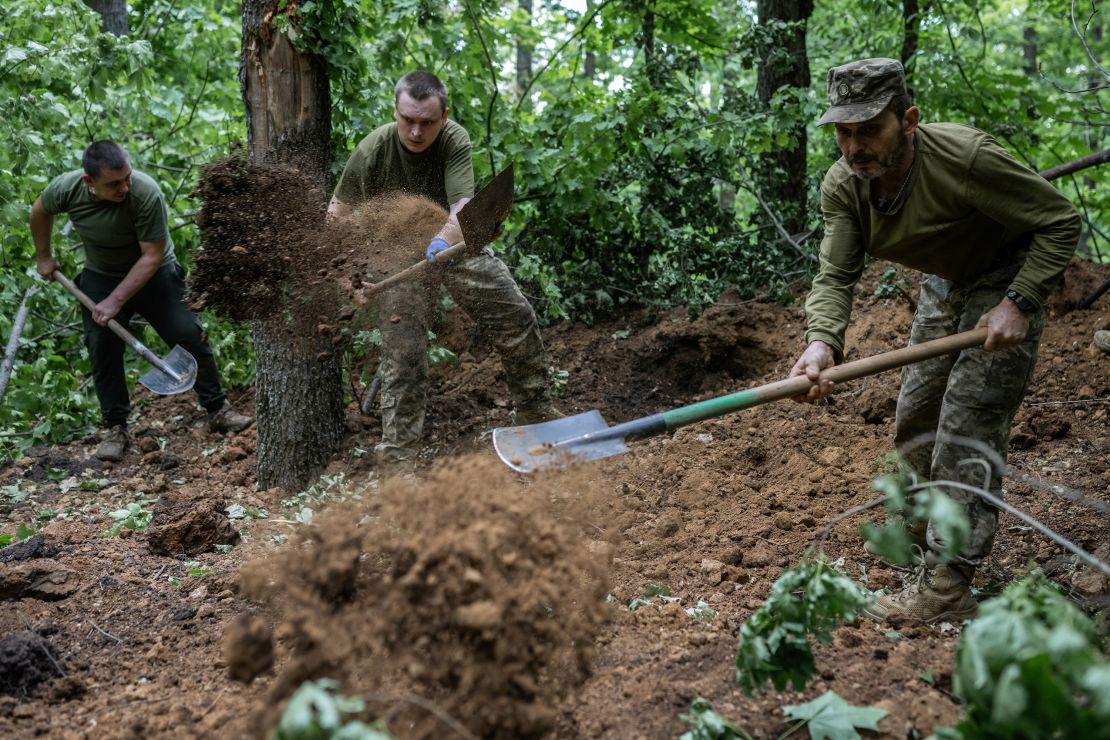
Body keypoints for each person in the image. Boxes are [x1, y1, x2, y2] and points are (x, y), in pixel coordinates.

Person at [789, 58, 1080, 622]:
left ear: (910, 120)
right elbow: (835, 274)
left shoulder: (965, 158)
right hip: (946, 281)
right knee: (917, 418)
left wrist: (1018, 302)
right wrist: (822, 342)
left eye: (870, 128)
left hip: (1007, 272)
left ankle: (948, 587)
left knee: (967, 425)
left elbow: (1060, 221)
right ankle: (927, 549)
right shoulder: (844, 186)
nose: (855, 147)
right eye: (843, 132)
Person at [328, 70, 559, 478]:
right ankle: (398, 470)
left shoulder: (453, 140)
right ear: (396, 111)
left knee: (514, 314)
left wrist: (441, 241)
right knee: (404, 356)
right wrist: (347, 278)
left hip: (450, 245)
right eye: (407, 120)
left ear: (444, 116)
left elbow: (462, 207)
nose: (416, 131)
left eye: (427, 122)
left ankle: (539, 416)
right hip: (395, 256)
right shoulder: (372, 150)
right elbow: (336, 218)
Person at [32, 140, 251, 463]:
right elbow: (39, 210)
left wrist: (115, 301)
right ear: (89, 182)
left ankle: (217, 408)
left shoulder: (144, 193)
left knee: (186, 332)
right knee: (102, 346)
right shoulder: (67, 189)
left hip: (155, 274)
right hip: (100, 274)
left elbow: (152, 255)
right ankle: (116, 428)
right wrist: (44, 255)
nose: (125, 187)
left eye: (127, 177)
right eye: (114, 183)